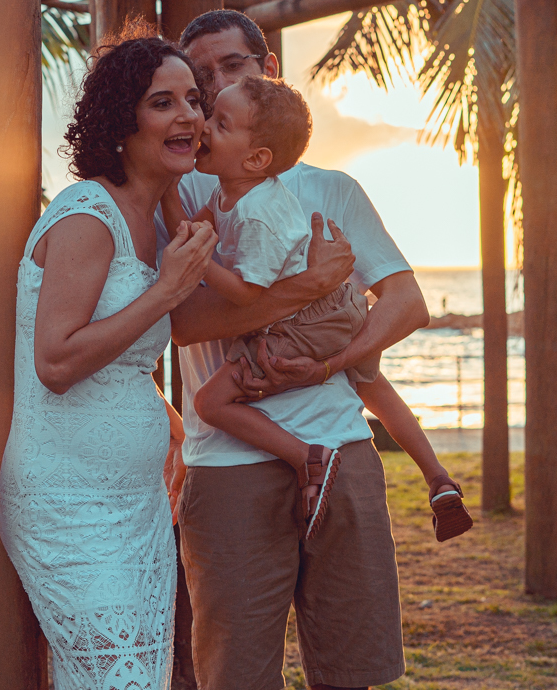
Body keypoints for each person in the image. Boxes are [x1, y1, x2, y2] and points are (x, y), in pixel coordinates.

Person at [160, 9, 468, 690]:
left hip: (343, 450)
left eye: (231, 67)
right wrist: (308, 288)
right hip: (229, 464)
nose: (214, 88)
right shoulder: (179, 190)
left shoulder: (333, 190)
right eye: (200, 77)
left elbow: (407, 303)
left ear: (269, 71)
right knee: (233, 677)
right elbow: (179, 323)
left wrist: (328, 362)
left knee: (350, 670)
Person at [0, 30, 219, 690]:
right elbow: (56, 363)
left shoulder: (156, 217)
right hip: (68, 504)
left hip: (138, 504)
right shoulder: (87, 216)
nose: (188, 117)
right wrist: (169, 289)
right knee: (117, 680)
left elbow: (139, 347)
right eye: (163, 103)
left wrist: (305, 290)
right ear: (123, 122)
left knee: (133, 679)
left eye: (194, 101)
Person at [161, 74, 403, 539]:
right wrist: (170, 192)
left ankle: (307, 456)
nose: (204, 126)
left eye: (221, 123)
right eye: (208, 113)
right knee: (220, 392)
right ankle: (309, 457)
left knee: (210, 402)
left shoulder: (259, 213)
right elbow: (192, 231)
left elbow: (247, 296)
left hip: (310, 321)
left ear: (256, 158)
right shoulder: (229, 189)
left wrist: (200, 263)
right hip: (292, 313)